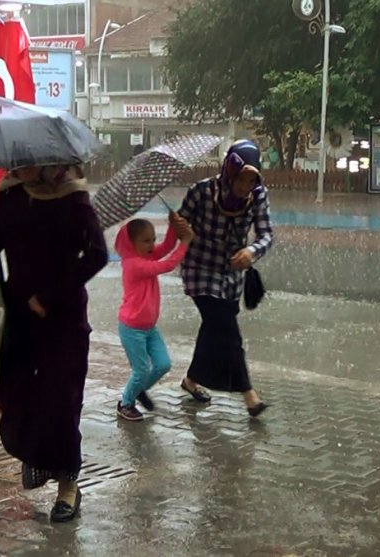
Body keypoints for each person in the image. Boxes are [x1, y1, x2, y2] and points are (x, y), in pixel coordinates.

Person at [0, 164, 107, 523]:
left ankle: (67, 486)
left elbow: (97, 254)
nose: (25, 166)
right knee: (15, 396)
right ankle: (39, 455)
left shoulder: (72, 195)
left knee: (61, 400)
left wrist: (49, 296)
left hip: (62, 317)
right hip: (17, 313)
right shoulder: (9, 192)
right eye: (19, 158)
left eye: (34, 159)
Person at [176, 140, 274, 417]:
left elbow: (267, 234)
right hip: (199, 271)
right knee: (227, 328)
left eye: (251, 179)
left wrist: (251, 252)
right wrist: (181, 228)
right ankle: (249, 394)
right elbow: (181, 226)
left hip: (231, 275)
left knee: (214, 327)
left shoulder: (258, 196)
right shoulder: (201, 191)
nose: (244, 186)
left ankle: (191, 381)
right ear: (230, 170)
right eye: (241, 178)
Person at [114, 214, 194, 421]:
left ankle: (137, 391)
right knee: (140, 370)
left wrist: (173, 227)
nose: (151, 245)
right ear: (131, 243)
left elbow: (166, 247)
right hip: (131, 329)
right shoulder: (133, 264)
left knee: (163, 365)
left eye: (152, 239)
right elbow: (167, 264)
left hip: (149, 327)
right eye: (145, 240)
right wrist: (185, 242)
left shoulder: (146, 256)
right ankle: (125, 403)